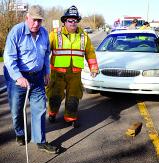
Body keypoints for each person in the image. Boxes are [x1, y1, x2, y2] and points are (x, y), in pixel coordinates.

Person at [3, 5, 59, 154]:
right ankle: (20, 133)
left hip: (38, 76)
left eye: (40, 21)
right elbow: (9, 59)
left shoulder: (45, 33)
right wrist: (18, 77)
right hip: (18, 76)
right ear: (27, 17)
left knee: (40, 108)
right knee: (17, 109)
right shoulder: (17, 32)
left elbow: (46, 54)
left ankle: (40, 141)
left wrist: (47, 72)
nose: (36, 24)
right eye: (34, 20)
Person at [46, 5, 99, 127]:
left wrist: (94, 67)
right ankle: (52, 113)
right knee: (55, 95)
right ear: (64, 21)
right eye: (70, 20)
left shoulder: (83, 36)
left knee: (74, 96)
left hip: (75, 73)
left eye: (75, 20)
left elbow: (90, 52)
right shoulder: (54, 34)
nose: (73, 23)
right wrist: (41, 69)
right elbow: (44, 52)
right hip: (57, 73)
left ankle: (70, 117)